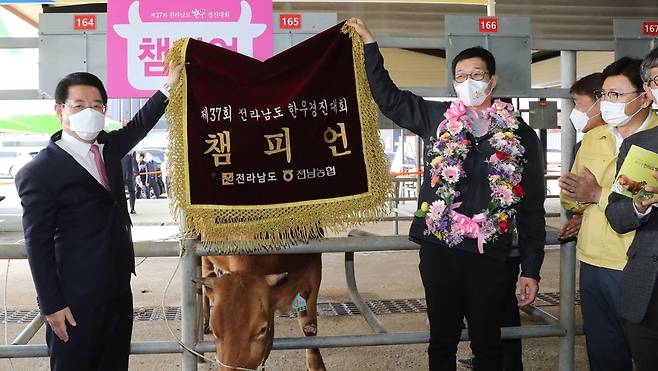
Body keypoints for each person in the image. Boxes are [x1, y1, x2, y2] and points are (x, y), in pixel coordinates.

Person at [347, 19, 546, 371]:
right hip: (440, 248)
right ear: (453, 83)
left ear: (493, 80)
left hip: (491, 255)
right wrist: (369, 43)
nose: (469, 82)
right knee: (442, 339)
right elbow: (388, 97)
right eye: (460, 76)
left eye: (477, 74)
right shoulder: (437, 118)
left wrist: (531, 268)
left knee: (489, 342)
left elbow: (531, 209)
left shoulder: (521, 134)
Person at [15, 65, 181, 371]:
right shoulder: (39, 172)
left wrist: (168, 88)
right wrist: (51, 305)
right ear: (59, 111)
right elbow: (36, 244)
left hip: (118, 289)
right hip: (75, 298)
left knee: (115, 363)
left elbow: (140, 125)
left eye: (96, 105)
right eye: (78, 105)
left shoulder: (107, 149)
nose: (88, 112)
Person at [560, 57, 657, 371]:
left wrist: (595, 195)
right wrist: (581, 202)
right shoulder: (593, 137)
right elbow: (571, 199)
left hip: (633, 263)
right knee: (603, 353)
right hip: (593, 260)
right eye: (604, 95)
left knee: (643, 352)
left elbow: (627, 205)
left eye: (616, 95)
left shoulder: (650, 142)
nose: (607, 103)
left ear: (644, 96)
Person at [606, 46, 658, 371]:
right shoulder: (640, 145)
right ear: (649, 91)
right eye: (655, 80)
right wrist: (638, 205)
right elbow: (617, 215)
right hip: (648, 293)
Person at [559, 73, 606, 242]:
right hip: (593, 245)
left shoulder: (631, 141)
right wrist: (582, 217)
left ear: (600, 101)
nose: (575, 112)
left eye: (577, 103)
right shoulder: (582, 145)